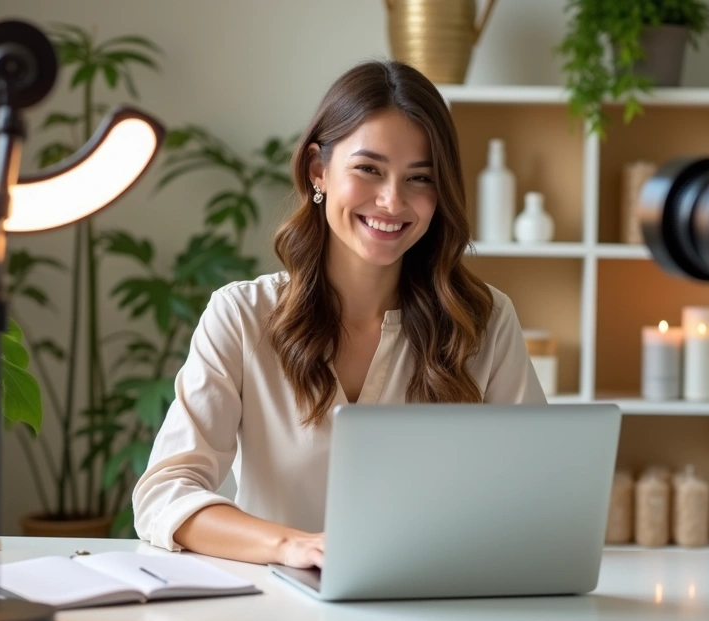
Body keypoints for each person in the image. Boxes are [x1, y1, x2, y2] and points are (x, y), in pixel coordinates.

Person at [132, 59, 546, 570]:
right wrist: (293, 546)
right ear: (318, 170)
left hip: (434, 604)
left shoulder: (482, 320)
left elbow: (536, 496)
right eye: (369, 169)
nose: (393, 201)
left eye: (420, 179)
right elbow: (166, 494)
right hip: (271, 610)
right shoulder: (241, 316)